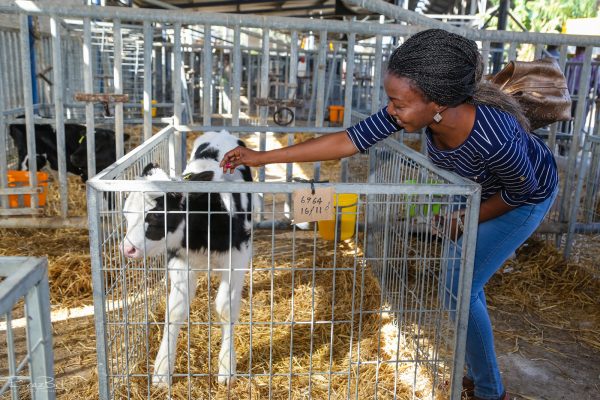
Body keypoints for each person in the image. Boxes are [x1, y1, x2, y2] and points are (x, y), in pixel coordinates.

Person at [220, 29, 558, 400]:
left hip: (525, 198)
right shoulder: (417, 112)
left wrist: (464, 219)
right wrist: (260, 157)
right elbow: (348, 141)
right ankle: (481, 374)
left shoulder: (496, 136)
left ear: (438, 102)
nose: (391, 110)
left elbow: (521, 191)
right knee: (454, 283)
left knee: (459, 285)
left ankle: (491, 391)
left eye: (398, 103)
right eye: (391, 101)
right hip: (490, 189)